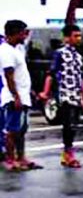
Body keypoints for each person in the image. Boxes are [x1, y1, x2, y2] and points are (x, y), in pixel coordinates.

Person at [40, 24, 83, 168]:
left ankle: (69, 153)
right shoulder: (60, 54)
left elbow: (81, 77)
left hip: (76, 93)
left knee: (74, 124)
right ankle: (68, 155)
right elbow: (51, 74)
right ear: (67, 37)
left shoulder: (79, 56)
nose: (78, 38)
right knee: (68, 124)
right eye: (75, 36)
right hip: (65, 92)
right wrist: (45, 92)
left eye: (79, 36)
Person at [1, 20, 40, 171]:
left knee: (22, 130)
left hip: (23, 96)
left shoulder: (17, 49)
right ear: (16, 33)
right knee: (12, 130)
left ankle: (22, 158)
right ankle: (10, 160)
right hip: (13, 98)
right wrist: (16, 96)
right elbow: (9, 76)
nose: (26, 35)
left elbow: (20, 74)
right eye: (24, 32)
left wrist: (28, 91)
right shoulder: (5, 51)